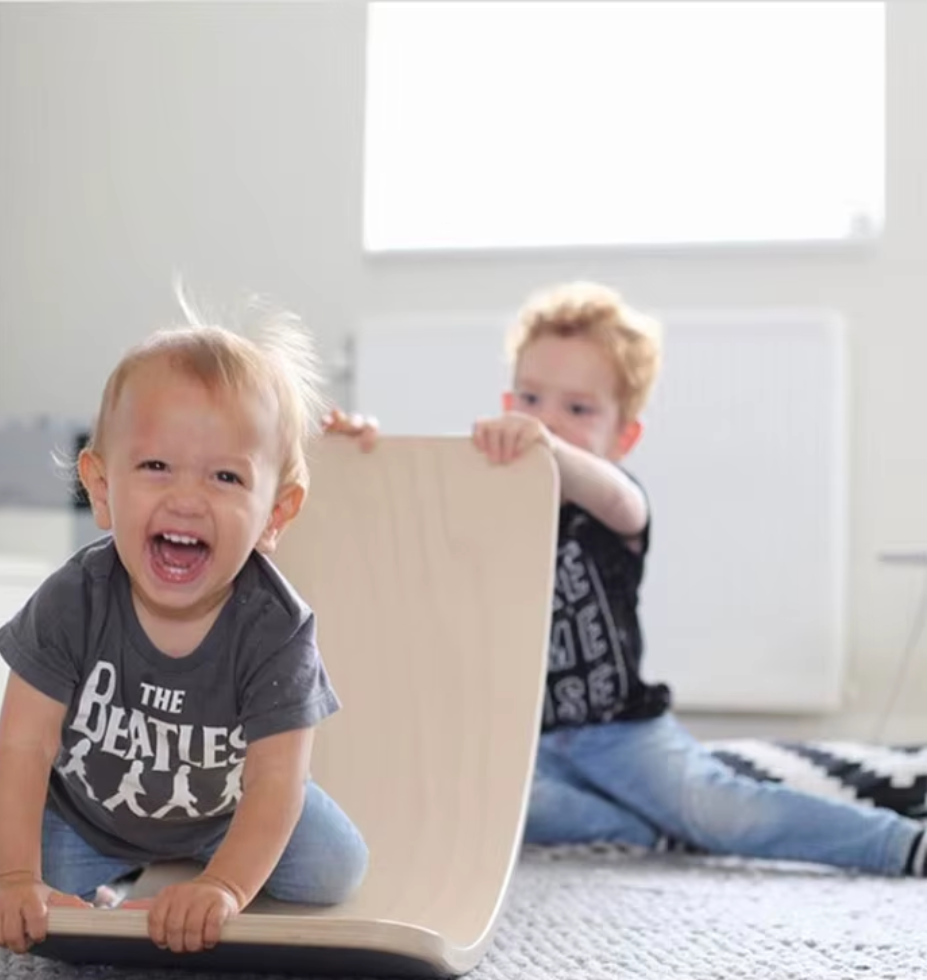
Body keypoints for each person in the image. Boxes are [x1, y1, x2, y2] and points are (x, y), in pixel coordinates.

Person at [327, 281, 927, 878]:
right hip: (523, 741)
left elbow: (622, 502)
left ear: (623, 438)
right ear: (508, 404)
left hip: (620, 732)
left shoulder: (612, 503)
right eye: (531, 400)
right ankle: (643, 831)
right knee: (474, 805)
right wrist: (359, 455)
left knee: (719, 810)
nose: (548, 422)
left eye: (578, 410)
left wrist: (553, 453)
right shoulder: (486, 496)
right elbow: (404, 508)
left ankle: (896, 843)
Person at [0, 299, 368, 956]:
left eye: (225, 476)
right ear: (102, 488)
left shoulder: (278, 628)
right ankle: (112, 871)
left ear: (276, 514)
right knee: (32, 889)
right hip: (91, 819)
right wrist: (12, 877)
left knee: (337, 868)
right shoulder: (72, 601)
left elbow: (276, 779)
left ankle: (195, 868)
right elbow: (22, 749)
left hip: (225, 814)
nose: (186, 498)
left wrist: (224, 887)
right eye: (156, 466)